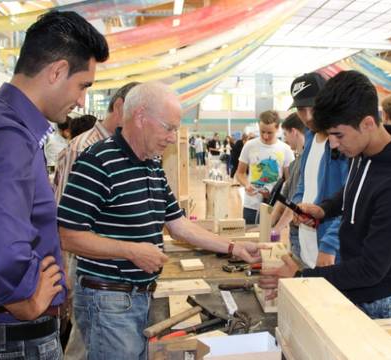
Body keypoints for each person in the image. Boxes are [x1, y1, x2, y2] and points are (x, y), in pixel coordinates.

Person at [57, 82, 261, 360]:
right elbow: (67, 235)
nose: (172, 136)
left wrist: (233, 248)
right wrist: (131, 250)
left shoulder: (151, 164)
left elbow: (179, 224)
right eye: (168, 127)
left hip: (140, 296)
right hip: (108, 300)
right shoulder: (97, 161)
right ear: (141, 117)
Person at [0, 10, 108, 359]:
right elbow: (0, 252)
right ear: (57, 71)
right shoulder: (8, 135)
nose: (81, 101)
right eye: (83, 86)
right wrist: (23, 300)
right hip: (11, 338)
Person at [260, 70, 391, 329]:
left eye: (338, 135)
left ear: (368, 123)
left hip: (388, 303)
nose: (333, 145)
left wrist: (302, 276)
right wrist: (324, 210)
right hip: (362, 293)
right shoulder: (363, 151)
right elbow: (351, 190)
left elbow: (371, 268)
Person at [54, 82, 139, 360]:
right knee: (83, 346)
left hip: (117, 274)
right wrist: (63, 280)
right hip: (86, 271)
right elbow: (62, 223)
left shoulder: (129, 149)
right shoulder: (82, 149)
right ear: (119, 107)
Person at [275, 73, 348, 268]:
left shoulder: (342, 145)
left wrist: (330, 245)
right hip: (307, 245)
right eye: (300, 109)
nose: (307, 117)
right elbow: (303, 183)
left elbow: (351, 202)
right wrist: (298, 206)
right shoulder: (310, 138)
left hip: (332, 252)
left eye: (313, 108)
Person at [236, 110, 294, 224]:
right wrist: (247, 185)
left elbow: (289, 181)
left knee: (270, 240)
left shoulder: (285, 149)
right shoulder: (249, 145)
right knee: (250, 238)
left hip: (274, 207)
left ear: (277, 128)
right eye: (262, 132)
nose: (265, 136)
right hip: (251, 205)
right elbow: (240, 173)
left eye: (270, 132)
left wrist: (275, 193)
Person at [270, 113, 305, 257]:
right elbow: (284, 197)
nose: (285, 139)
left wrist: (276, 229)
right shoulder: (295, 163)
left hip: (303, 233)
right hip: (295, 232)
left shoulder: (306, 163)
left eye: (285, 134)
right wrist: (268, 226)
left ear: (294, 131)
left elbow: (297, 202)